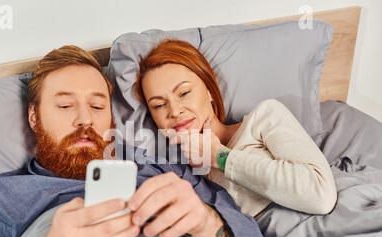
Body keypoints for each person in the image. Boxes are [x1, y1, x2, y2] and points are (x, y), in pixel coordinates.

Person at [0, 45, 268, 237]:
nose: (84, 119)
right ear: (34, 118)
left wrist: (205, 221)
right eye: (65, 105)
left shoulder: (161, 170)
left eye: (98, 107)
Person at [135, 39, 338, 218]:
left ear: (209, 90)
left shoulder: (264, 118)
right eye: (159, 105)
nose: (175, 111)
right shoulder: (183, 178)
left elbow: (320, 195)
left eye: (184, 92)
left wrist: (221, 157)